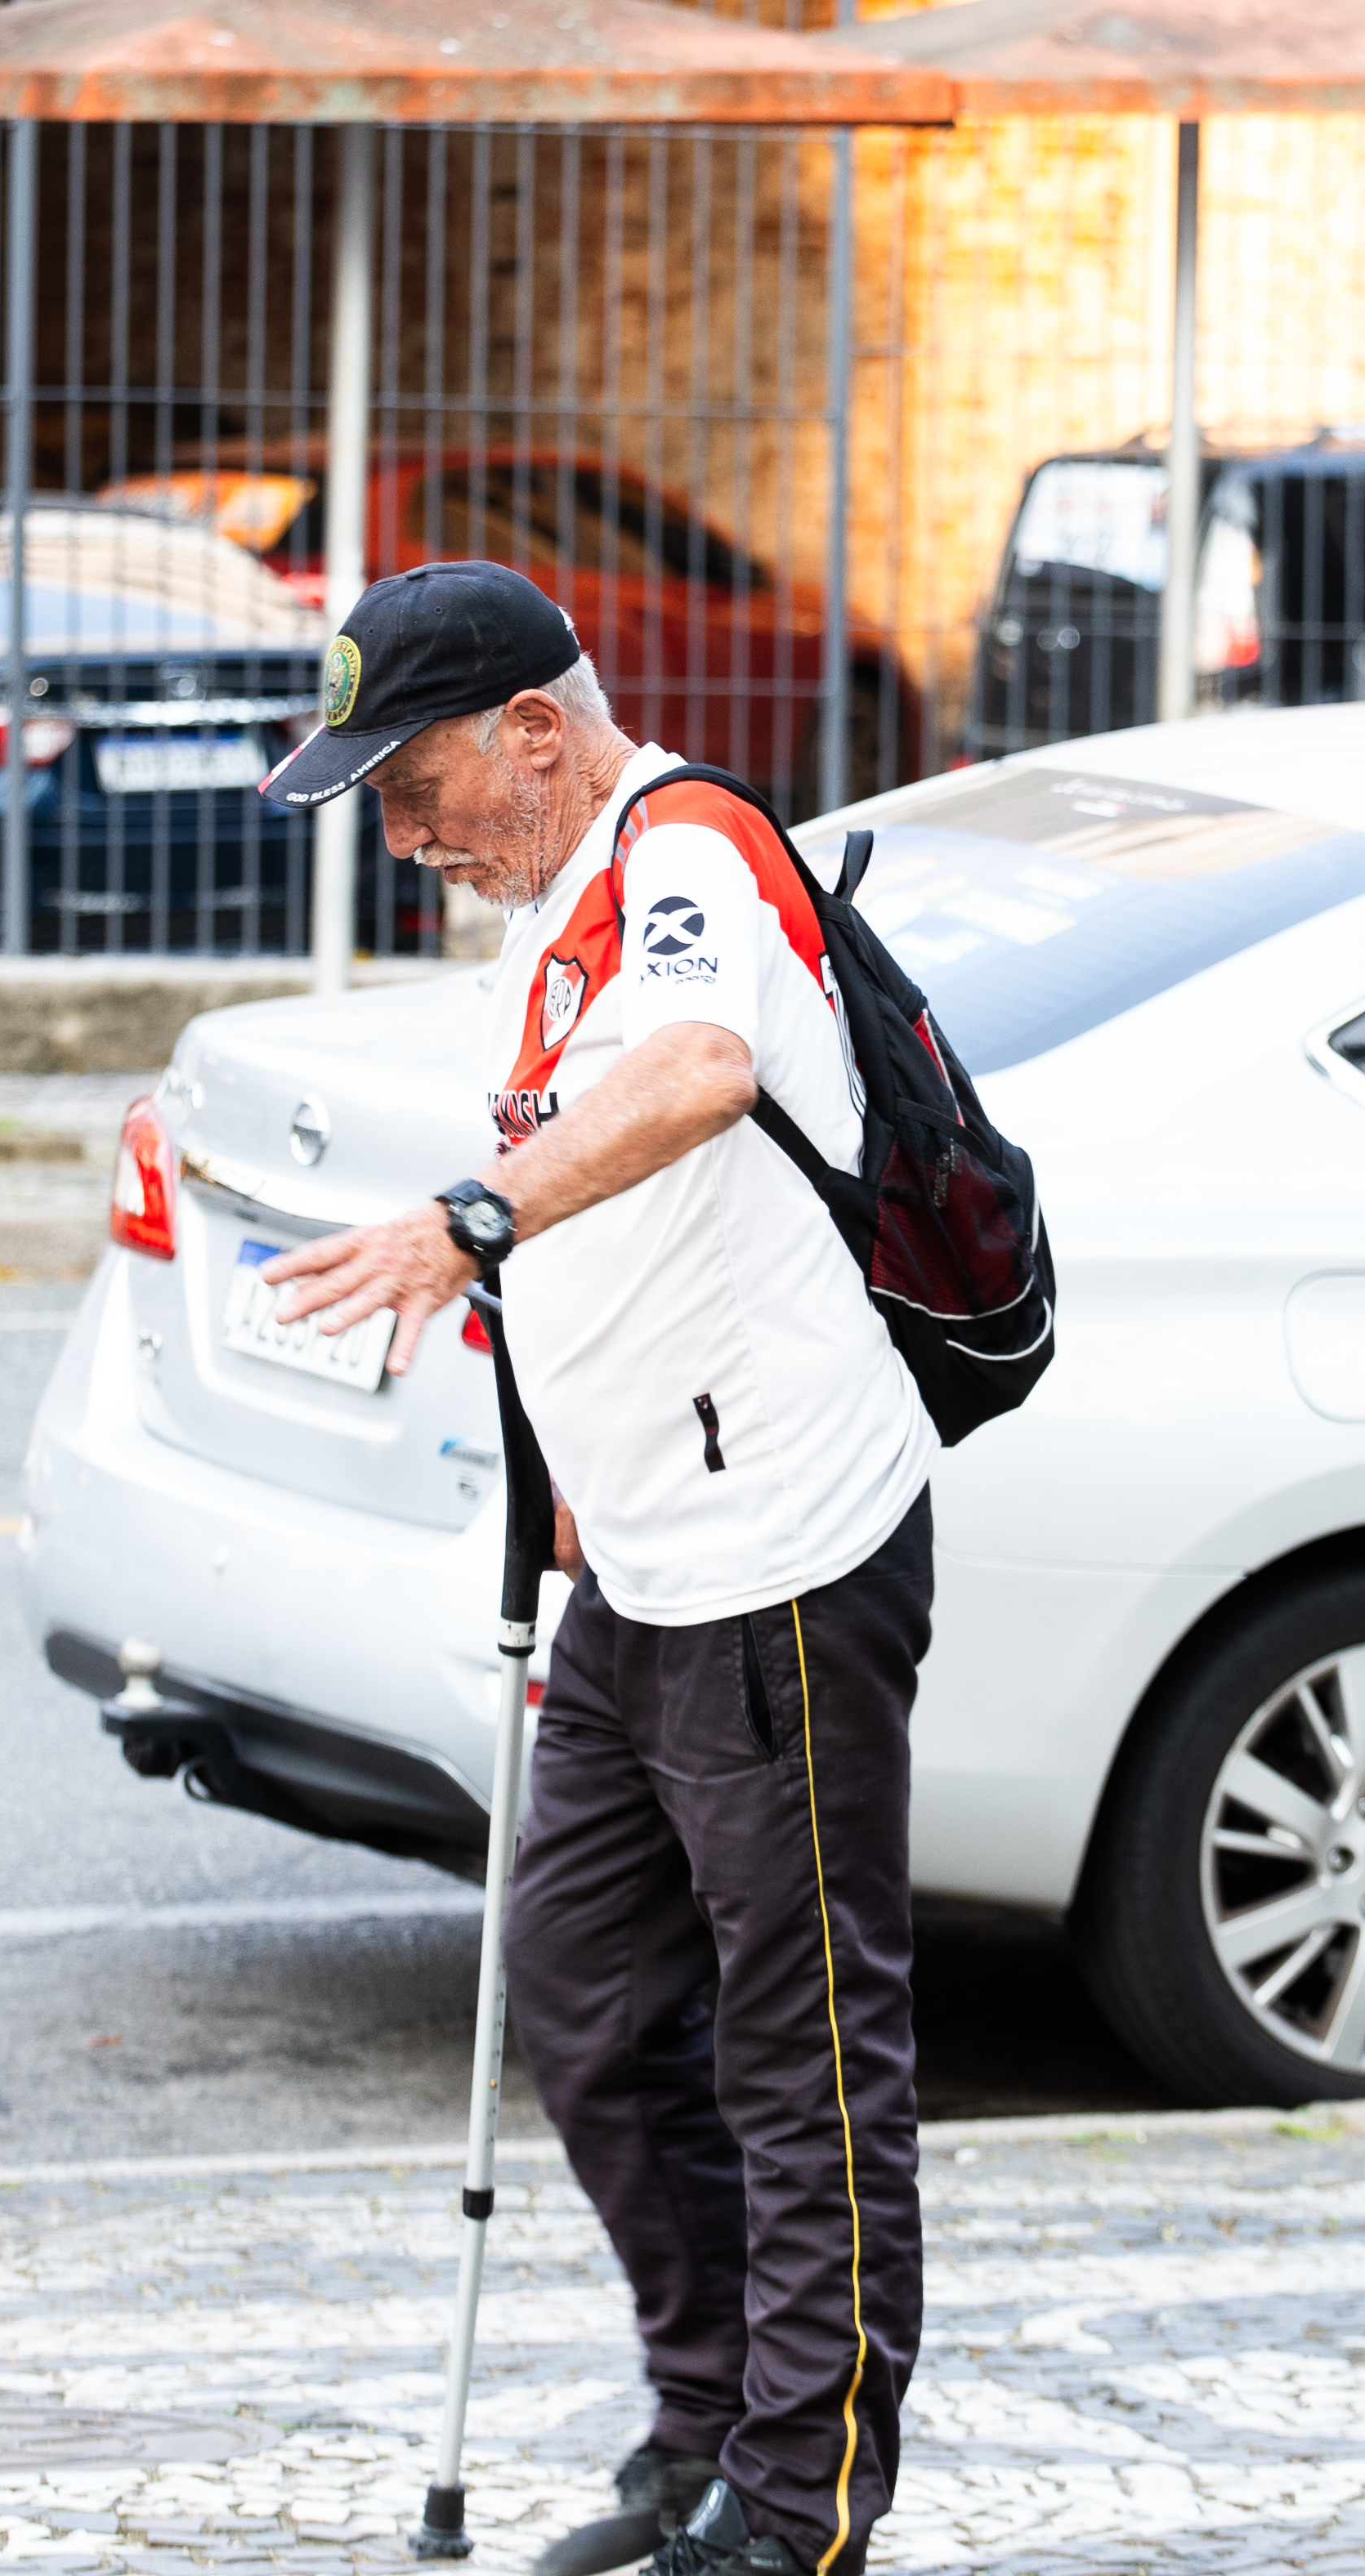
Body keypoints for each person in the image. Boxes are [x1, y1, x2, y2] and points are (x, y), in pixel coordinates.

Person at [252, 562, 938, 2576]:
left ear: (536, 731)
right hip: (640, 1563)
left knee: (798, 2042)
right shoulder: (553, 911)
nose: (400, 830)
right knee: (588, 1994)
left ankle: (796, 2507)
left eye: (417, 780)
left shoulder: (689, 843)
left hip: (786, 1556)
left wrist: (463, 1219)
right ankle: (708, 2424)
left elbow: (699, 1072)